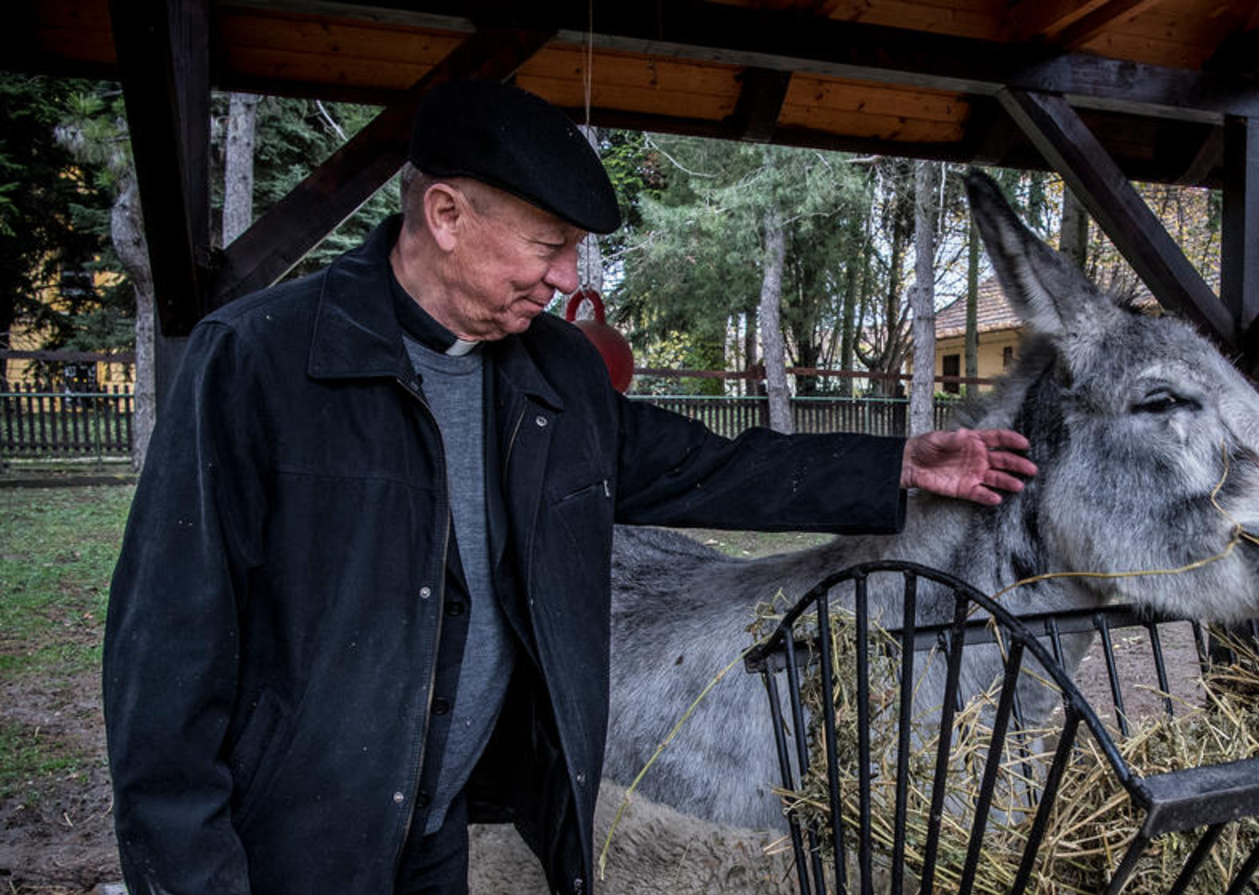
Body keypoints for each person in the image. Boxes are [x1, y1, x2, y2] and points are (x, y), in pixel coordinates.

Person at [102, 79, 1036, 895]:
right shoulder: (259, 362)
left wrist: (896, 465)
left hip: (437, 828)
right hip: (292, 841)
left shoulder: (550, 373)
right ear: (446, 215)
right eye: (548, 244)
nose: (564, 279)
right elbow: (166, 662)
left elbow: (700, 465)